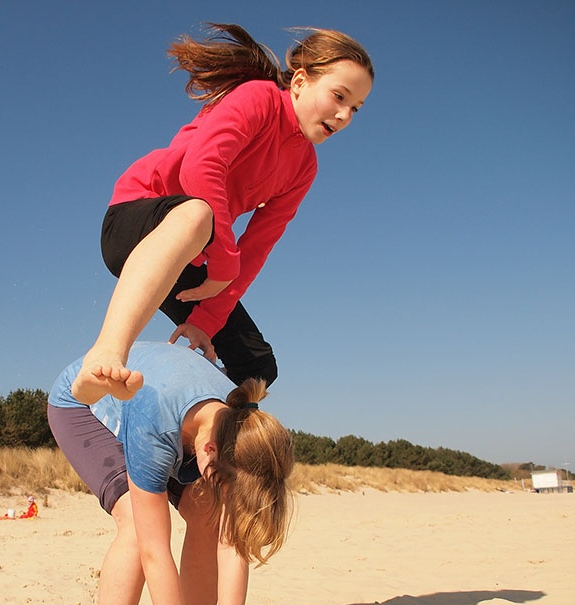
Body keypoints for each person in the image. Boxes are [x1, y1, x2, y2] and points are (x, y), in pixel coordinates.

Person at [71, 23, 374, 405]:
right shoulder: (260, 98)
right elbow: (199, 168)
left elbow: (258, 246)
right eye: (339, 96)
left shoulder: (305, 166)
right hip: (136, 221)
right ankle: (105, 356)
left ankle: (199, 453)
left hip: (197, 256)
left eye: (356, 109)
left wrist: (205, 322)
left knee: (258, 367)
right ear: (300, 81)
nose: (345, 115)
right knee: (197, 214)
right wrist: (223, 260)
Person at [49, 342, 294, 605]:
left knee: (209, 515)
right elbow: (154, 551)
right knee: (135, 525)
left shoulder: (240, 422)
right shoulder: (155, 426)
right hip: (86, 406)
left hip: (177, 414)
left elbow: (232, 539)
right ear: (209, 450)